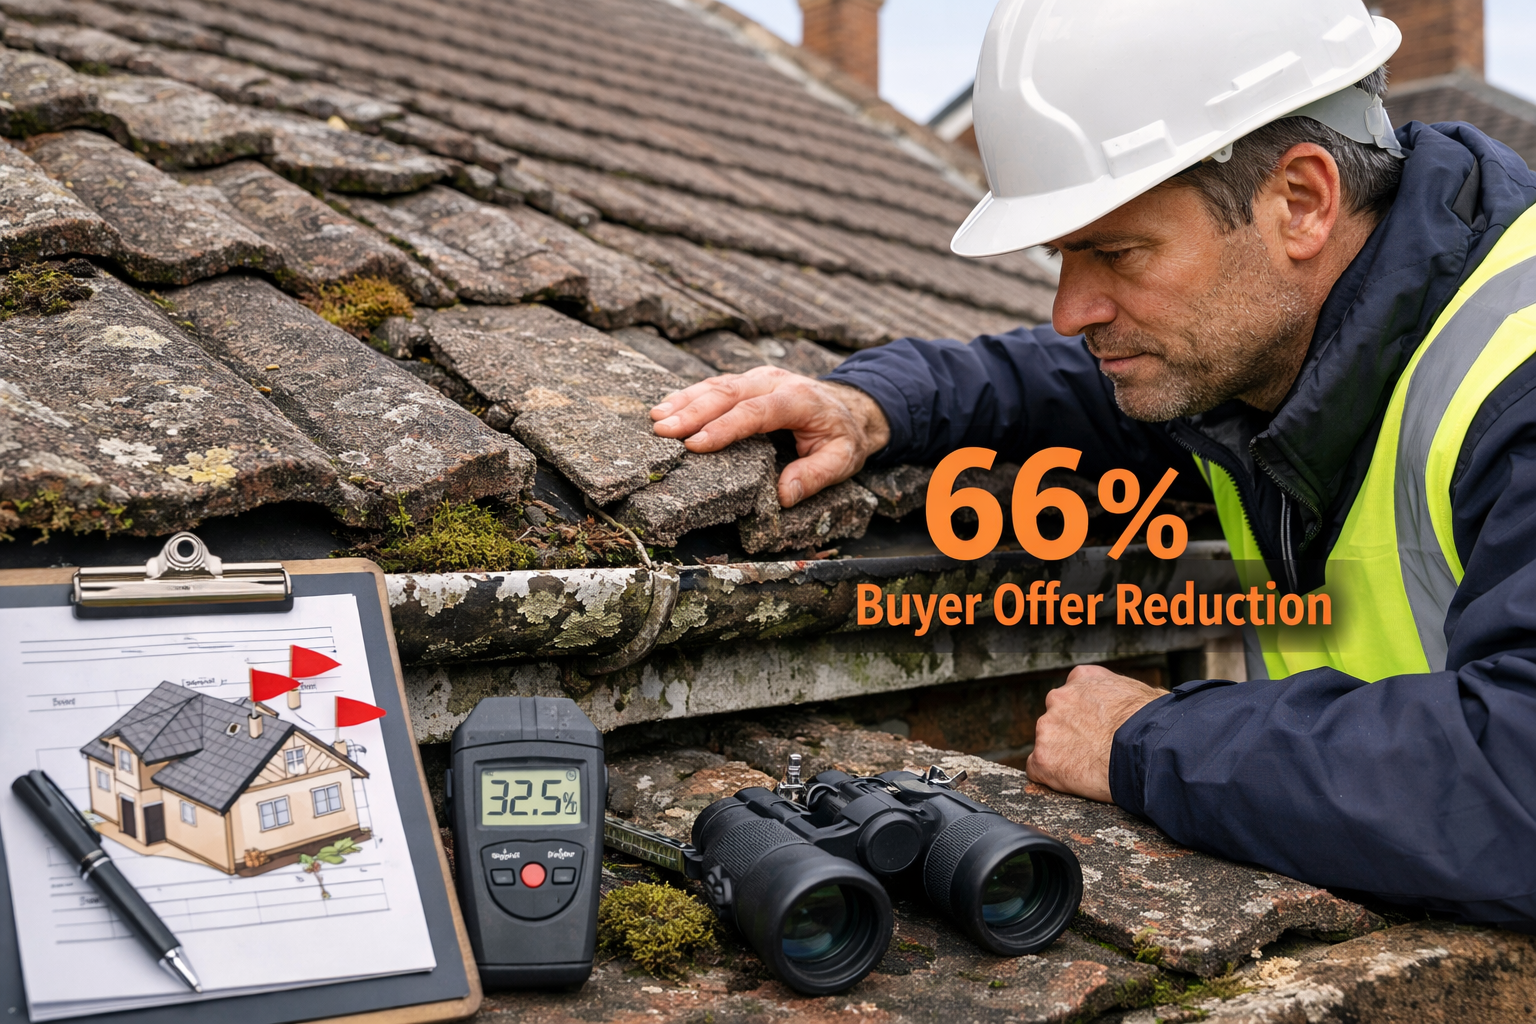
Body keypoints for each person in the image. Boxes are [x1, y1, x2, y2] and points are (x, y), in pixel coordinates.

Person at [648, 0, 1536, 930]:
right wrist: (871, 406)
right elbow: (1055, 383)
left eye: (1116, 251)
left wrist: (1144, 742)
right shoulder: (1266, 343)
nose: (1073, 308)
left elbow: (1518, 782)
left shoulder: (1512, 372)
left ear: (1302, 201)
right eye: (1065, 255)